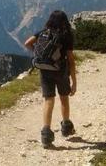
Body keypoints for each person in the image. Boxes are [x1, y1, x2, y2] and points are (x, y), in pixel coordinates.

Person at [24, 10, 77, 148]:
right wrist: (74, 82)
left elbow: (27, 43)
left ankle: (46, 133)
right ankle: (66, 126)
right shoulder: (66, 36)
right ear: (65, 21)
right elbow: (71, 60)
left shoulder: (43, 32)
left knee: (49, 100)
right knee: (64, 97)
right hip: (60, 70)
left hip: (44, 70)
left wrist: (39, 54)